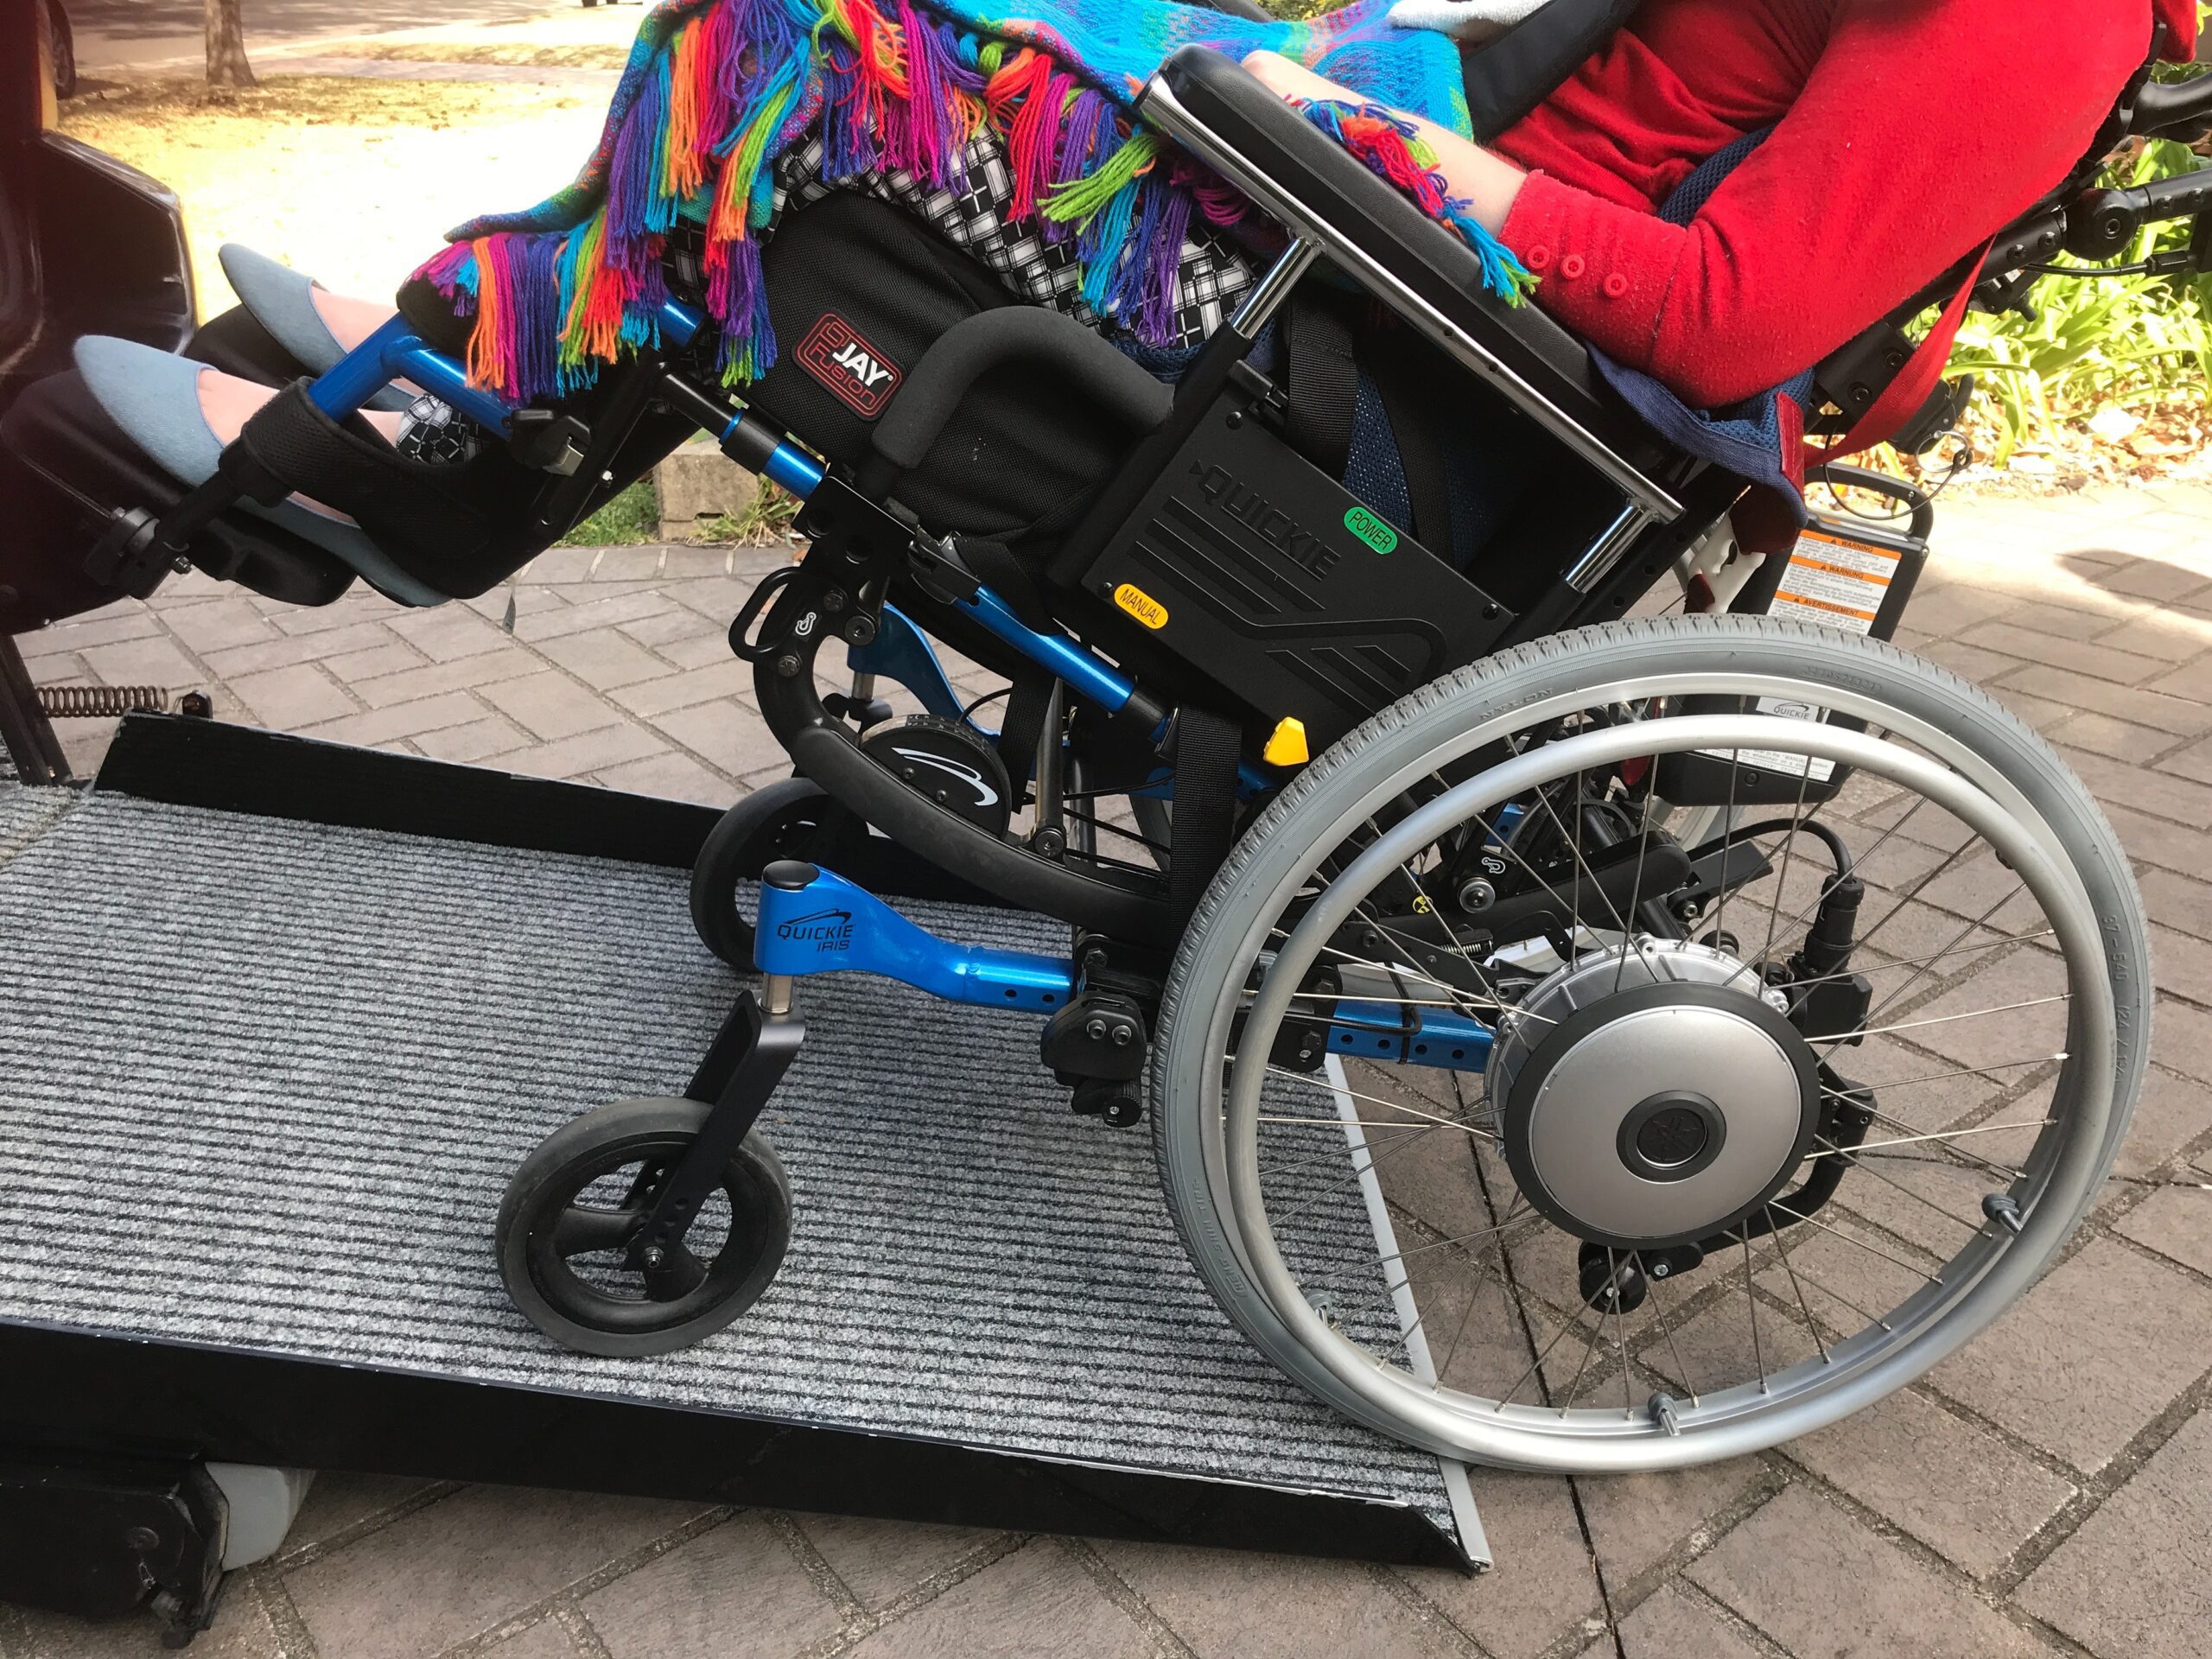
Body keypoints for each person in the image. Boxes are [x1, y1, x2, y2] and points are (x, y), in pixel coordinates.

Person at [1243, 0, 2200, 409]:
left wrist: (1355, 127)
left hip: (1390, 312)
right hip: (1341, 237)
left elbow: (1721, 322)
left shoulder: (2034, 21)